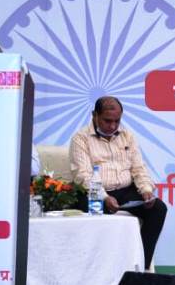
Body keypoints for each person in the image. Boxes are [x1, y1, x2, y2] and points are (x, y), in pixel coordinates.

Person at [69, 96, 167, 269]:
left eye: (117, 121)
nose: (113, 126)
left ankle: (141, 267)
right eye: (107, 121)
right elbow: (83, 175)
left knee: (158, 208)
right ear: (94, 115)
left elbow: (138, 168)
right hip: (94, 193)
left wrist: (146, 190)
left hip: (125, 190)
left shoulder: (127, 136)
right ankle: (95, 268)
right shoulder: (80, 138)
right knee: (91, 207)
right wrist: (104, 197)